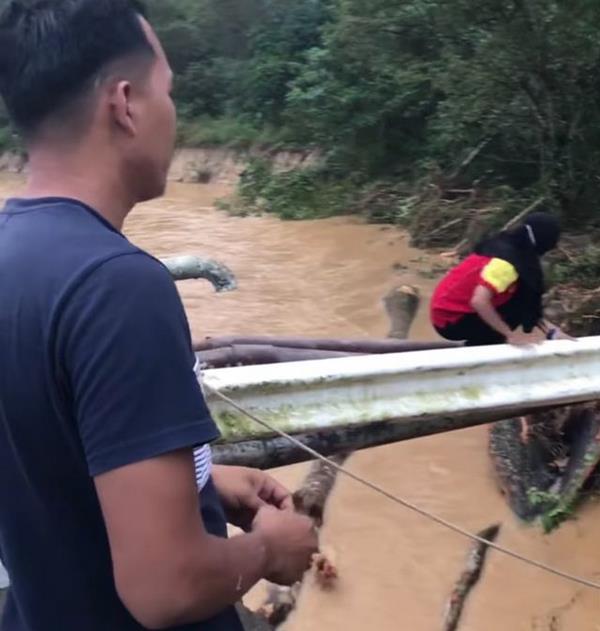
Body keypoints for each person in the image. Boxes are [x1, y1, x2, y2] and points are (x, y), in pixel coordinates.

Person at [0, 2, 318, 631]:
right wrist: (270, 550)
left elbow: (45, 458)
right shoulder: (118, 286)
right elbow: (164, 588)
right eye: (168, 91)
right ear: (125, 104)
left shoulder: (12, 251)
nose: (174, 114)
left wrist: (198, 482)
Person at [430, 212, 569, 347]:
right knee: (514, 313)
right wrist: (510, 335)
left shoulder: (506, 245)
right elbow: (479, 301)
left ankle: (483, 344)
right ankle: (483, 349)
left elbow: (528, 303)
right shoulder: (507, 264)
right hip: (449, 320)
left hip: (445, 311)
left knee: (521, 297)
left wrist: (552, 331)